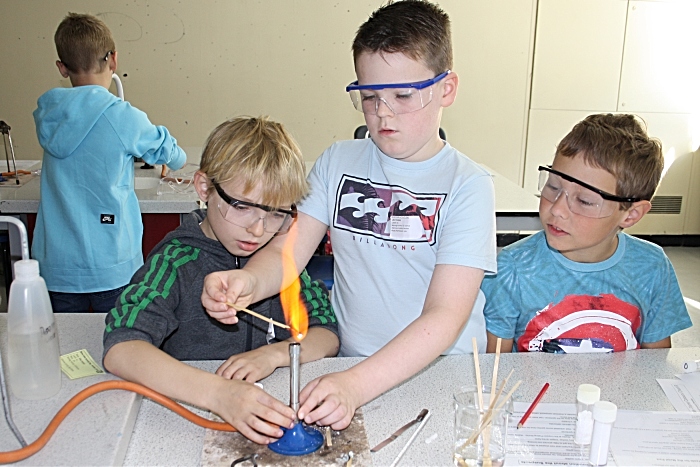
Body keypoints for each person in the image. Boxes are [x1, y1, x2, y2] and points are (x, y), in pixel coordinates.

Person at [202, 0, 497, 430]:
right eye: (369, 96)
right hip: (351, 364)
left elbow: (445, 316)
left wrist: (357, 385)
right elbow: (289, 250)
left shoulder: (467, 185)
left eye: (402, 95)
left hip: (439, 373)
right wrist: (248, 281)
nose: (383, 113)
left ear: (446, 89)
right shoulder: (338, 161)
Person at [103, 116, 339, 443]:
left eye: (276, 213)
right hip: (189, 420)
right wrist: (218, 395)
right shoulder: (175, 262)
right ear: (204, 188)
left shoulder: (282, 258)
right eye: (242, 206)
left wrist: (272, 356)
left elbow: (326, 333)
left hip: (267, 411)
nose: (258, 230)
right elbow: (121, 349)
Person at [482, 113, 692, 354]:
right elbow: (494, 367)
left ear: (631, 215)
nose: (557, 209)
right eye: (553, 186)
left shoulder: (652, 268)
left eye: (584, 200)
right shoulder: (512, 268)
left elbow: (654, 364)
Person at [32, 13, 186, 312]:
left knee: (66, 352)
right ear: (113, 60)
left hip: (56, 269)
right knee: (116, 348)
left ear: (62, 68)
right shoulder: (123, 117)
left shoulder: (49, 112)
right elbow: (175, 157)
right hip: (111, 266)